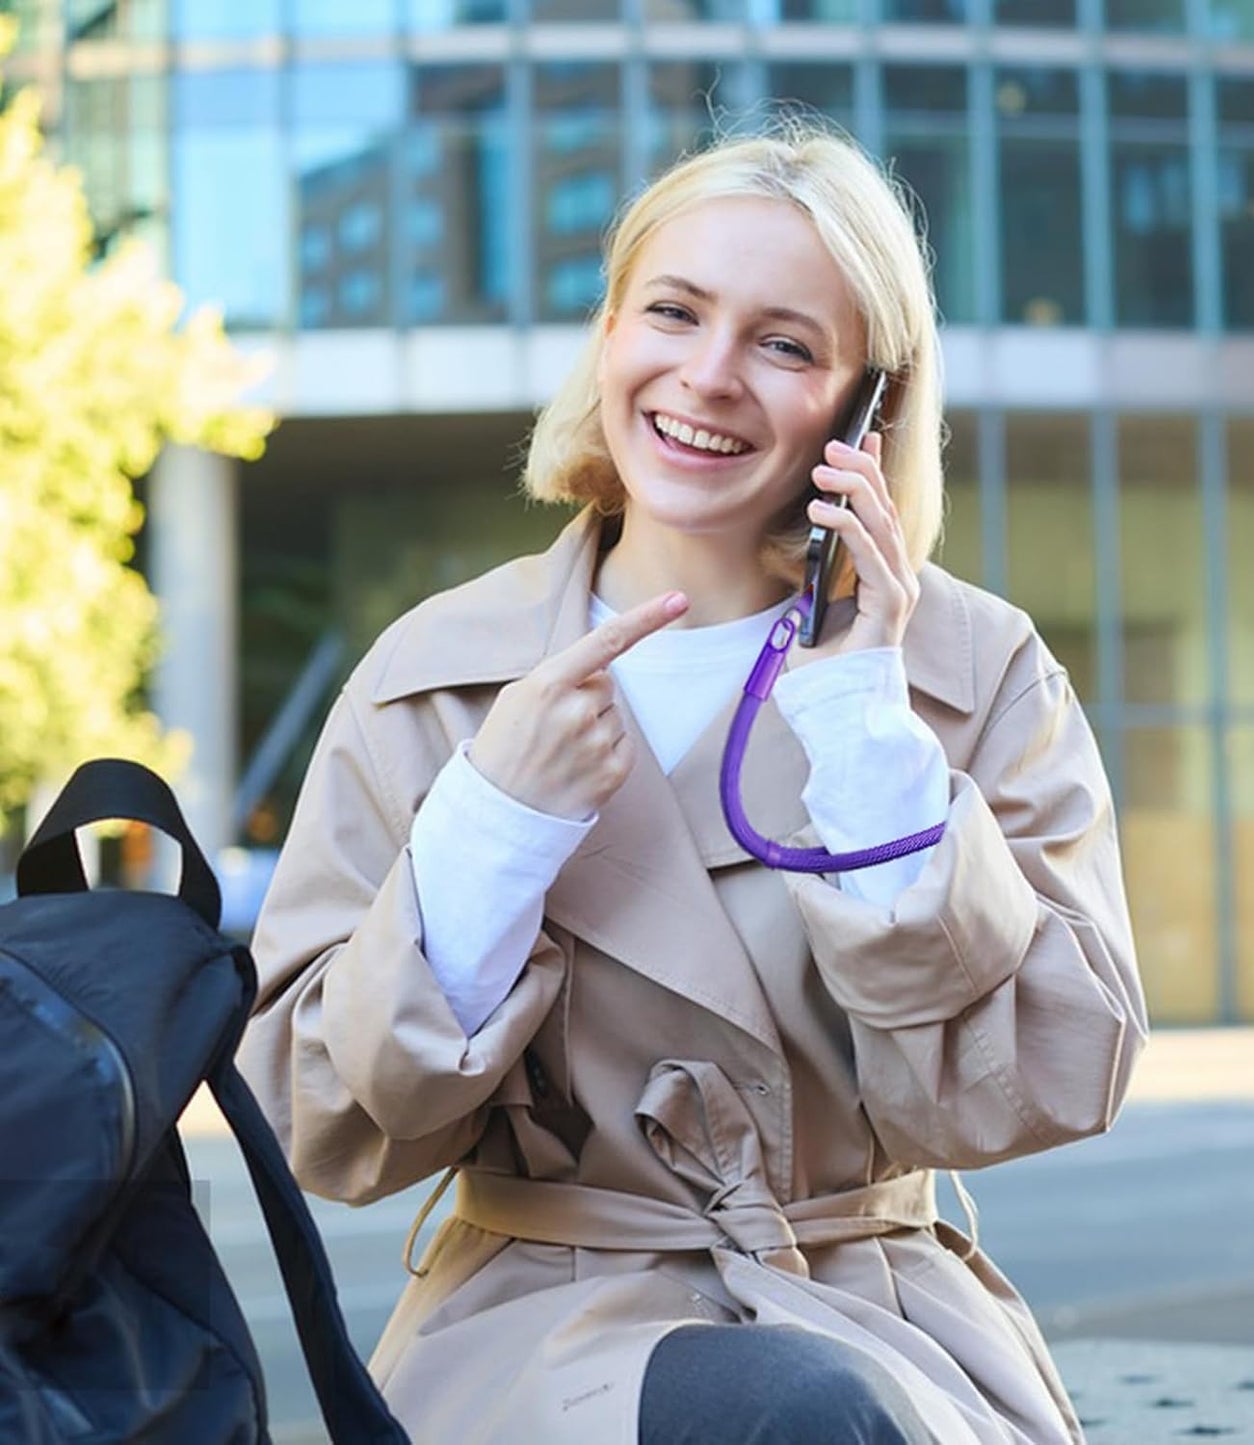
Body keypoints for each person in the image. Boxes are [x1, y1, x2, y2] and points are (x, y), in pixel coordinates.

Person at [237, 117, 1148, 1445]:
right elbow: (319, 1121)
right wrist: (493, 825)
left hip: (875, 1313)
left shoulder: (967, 668)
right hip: (543, 1319)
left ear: (866, 404)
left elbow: (1050, 1076)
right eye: (673, 311)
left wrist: (861, 731)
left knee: (816, 1410)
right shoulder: (435, 674)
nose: (709, 376)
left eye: (785, 344)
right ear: (608, 332)